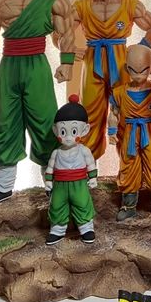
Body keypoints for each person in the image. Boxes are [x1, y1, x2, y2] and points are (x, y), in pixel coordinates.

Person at [0, 0, 76, 205]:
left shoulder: (54, 2)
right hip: (9, 65)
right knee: (5, 121)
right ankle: (2, 186)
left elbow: (66, 34)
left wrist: (67, 63)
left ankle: (53, 183)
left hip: (36, 65)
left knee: (45, 120)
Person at [73, 0, 151, 161]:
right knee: (89, 114)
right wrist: (69, 50)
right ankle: (87, 165)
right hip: (92, 63)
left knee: (126, 111)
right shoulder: (82, 6)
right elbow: (60, 31)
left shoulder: (130, 4)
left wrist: (141, 48)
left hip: (121, 62)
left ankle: (130, 166)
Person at [108, 43, 151, 220]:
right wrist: (111, 131)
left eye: (143, 70)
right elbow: (113, 113)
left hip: (150, 132)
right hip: (129, 132)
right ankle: (128, 205)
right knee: (128, 165)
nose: (138, 75)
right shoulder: (119, 92)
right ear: (126, 68)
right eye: (133, 70)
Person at [45, 94, 97, 244]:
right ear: (55, 130)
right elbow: (50, 168)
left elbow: (91, 164)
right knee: (57, 205)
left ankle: (86, 228)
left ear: (84, 130)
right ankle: (57, 230)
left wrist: (93, 178)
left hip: (79, 184)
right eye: (63, 132)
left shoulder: (84, 151)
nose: (68, 137)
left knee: (82, 204)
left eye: (73, 132)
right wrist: (48, 182)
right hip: (60, 186)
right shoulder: (56, 152)